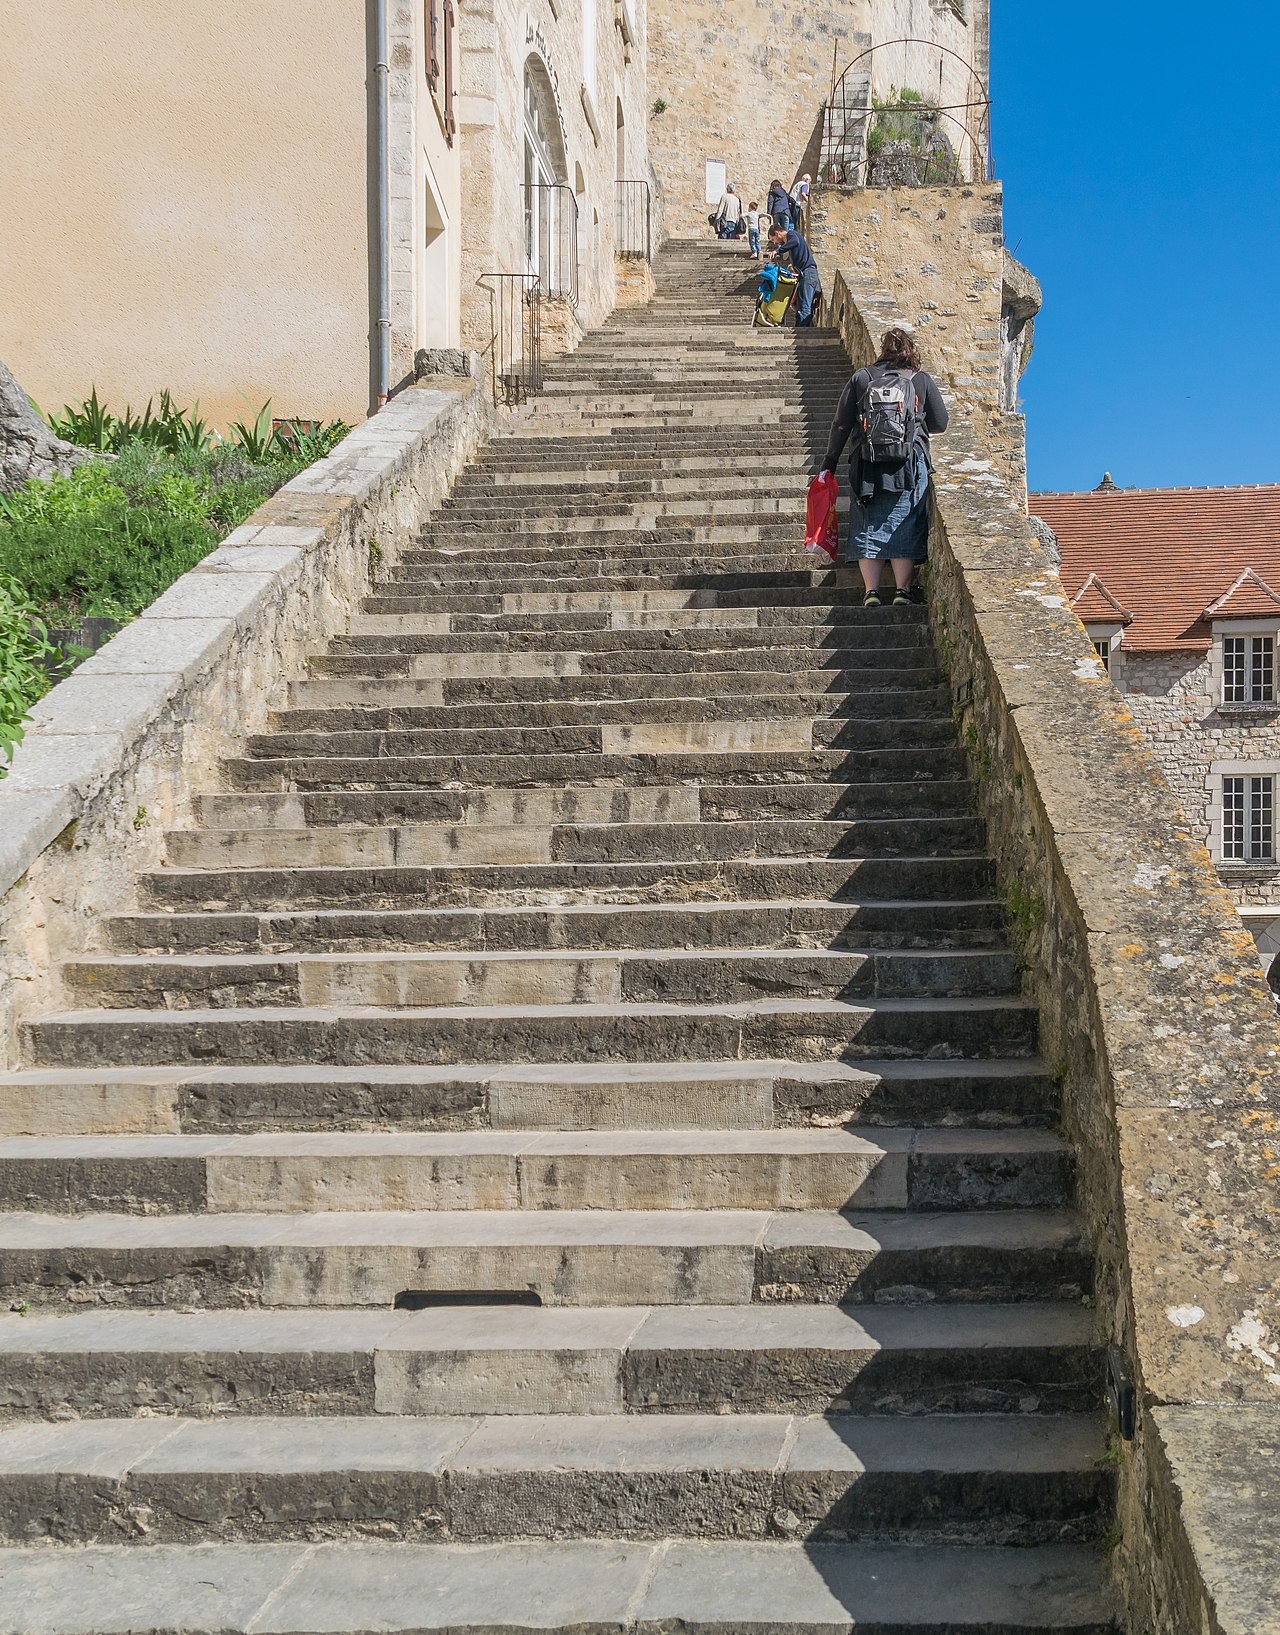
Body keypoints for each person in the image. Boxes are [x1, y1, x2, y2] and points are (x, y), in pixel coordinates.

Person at [818, 327, 948, 606]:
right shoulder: (920, 380)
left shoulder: (862, 378)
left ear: (882, 351)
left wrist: (829, 462)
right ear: (911, 352)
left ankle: (871, 592)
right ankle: (902, 591)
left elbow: (841, 423)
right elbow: (941, 422)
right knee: (907, 521)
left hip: (867, 463)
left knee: (867, 523)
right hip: (909, 463)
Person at [766, 223, 821, 327]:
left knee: (804, 306)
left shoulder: (792, 234)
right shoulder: (792, 239)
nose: (774, 242)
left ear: (777, 233)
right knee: (800, 306)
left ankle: (802, 333)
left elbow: (794, 242)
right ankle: (800, 329)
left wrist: (778, 251)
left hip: (808, 273)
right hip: (805, 274)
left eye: (773, 239)